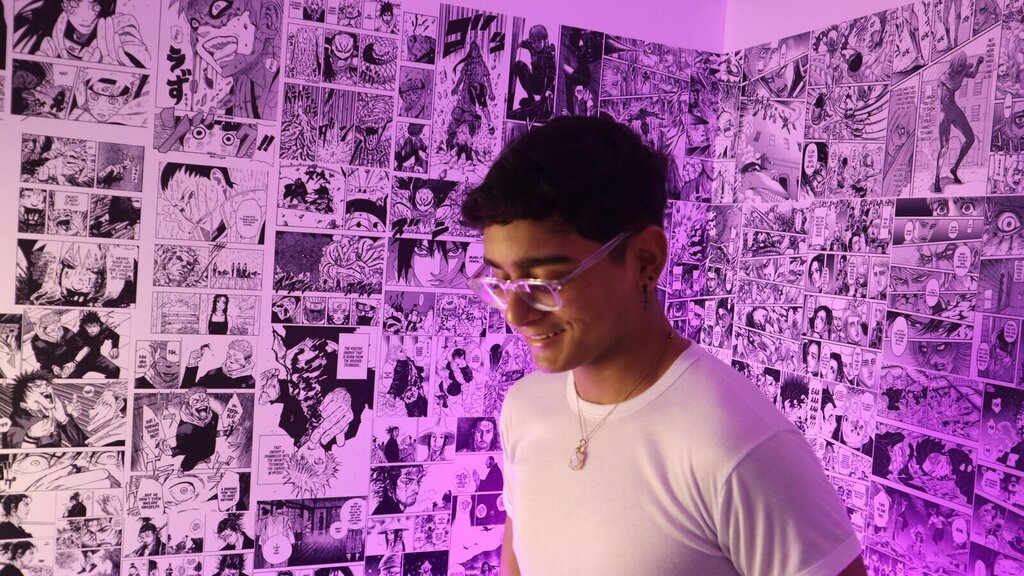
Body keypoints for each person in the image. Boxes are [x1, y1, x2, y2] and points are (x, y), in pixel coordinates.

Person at [460, 116, 865, 575]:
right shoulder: (524, 407)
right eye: (500, 281)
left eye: (545, 282)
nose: (515, 315)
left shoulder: (739, 447)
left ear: (645, 261)